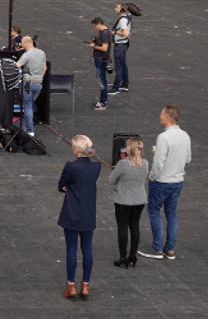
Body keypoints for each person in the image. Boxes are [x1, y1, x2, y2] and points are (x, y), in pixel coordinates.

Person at [139, 105, 191, 261]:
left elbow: (159, 163)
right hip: (178, 181)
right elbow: (187, 159)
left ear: (168, 118)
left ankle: (157, 248)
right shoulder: (185, 135)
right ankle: (170, 249)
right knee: (171, 214)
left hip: (161, 181)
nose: (159, 116)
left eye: (161, 114)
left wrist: (151, 177)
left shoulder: (163, 137)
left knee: (154, 212)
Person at [58, 135, 100, 301]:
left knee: (71, 248)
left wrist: (68, 188)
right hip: (88, 213)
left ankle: (71, 286)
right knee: (87, 249)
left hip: (71, 211)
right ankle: (85, 285)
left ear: (75, 149)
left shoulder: (71, 166)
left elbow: (61, 185)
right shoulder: (96, 167)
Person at [109, 137, 148, 268]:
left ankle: (123, 257)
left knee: (122, 227)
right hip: (139, 200)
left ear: (128, 149)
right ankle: (132, 255)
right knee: (135, 226)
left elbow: (111, 180)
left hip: (123, 200)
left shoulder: (123, 164)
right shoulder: (145, 163)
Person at [15, 36, 46, 137]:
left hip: (27, 83)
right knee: (29, 106)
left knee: (27, 106)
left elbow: (16, 66)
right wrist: (39, 79)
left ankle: (30, 130)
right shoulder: (42, 53)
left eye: (22, 43)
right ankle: (24, 128)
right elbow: (44, 68)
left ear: (27, 43)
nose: (21, 45)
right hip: (38, 84)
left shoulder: (26, 55)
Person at [88, 17, 111, 110]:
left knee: (102, 82)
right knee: (102, 81)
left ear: (98, 24)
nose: (94, 28)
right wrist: (96, 40)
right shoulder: (106, 32)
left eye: (94, 26)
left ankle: (103, 103)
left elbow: (104, 48)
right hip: (103, 59)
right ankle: (102, 101)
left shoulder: (104, 34)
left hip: (101, 60)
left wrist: (94, 46)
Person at [111, 3, 132, 93]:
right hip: (123, 44)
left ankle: (115, 88)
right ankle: (124, 84)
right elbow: (129, 32)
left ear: (122, 10)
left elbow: (125, 33)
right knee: (123, 65)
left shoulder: (123, 20)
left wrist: (115, 32)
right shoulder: (127, 18)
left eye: (117, 7)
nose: (115, 9)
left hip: (120, 45)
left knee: (118, 67)